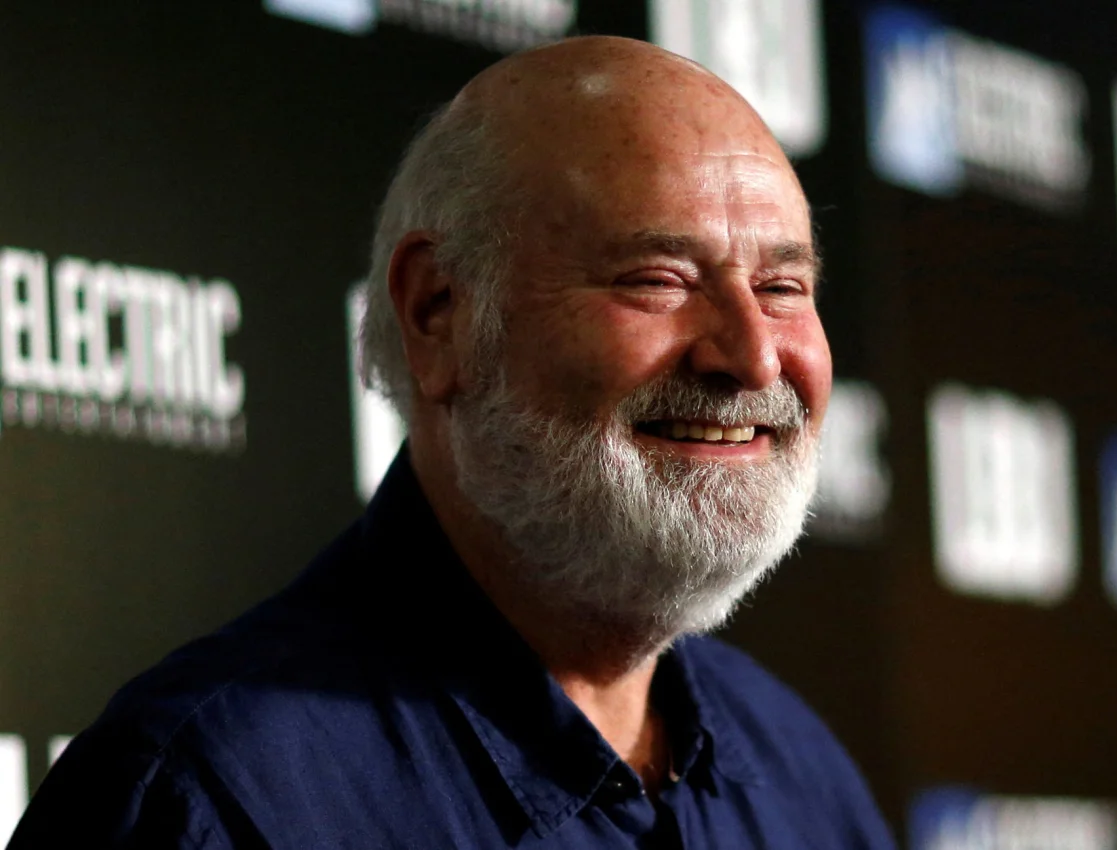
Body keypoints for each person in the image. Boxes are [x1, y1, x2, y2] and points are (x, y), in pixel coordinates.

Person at [10, 36, 896, 849]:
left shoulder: (798, 770)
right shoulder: (205, 800)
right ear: (438, 312)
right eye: (657, 278)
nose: (750, 355)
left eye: (782, 285)